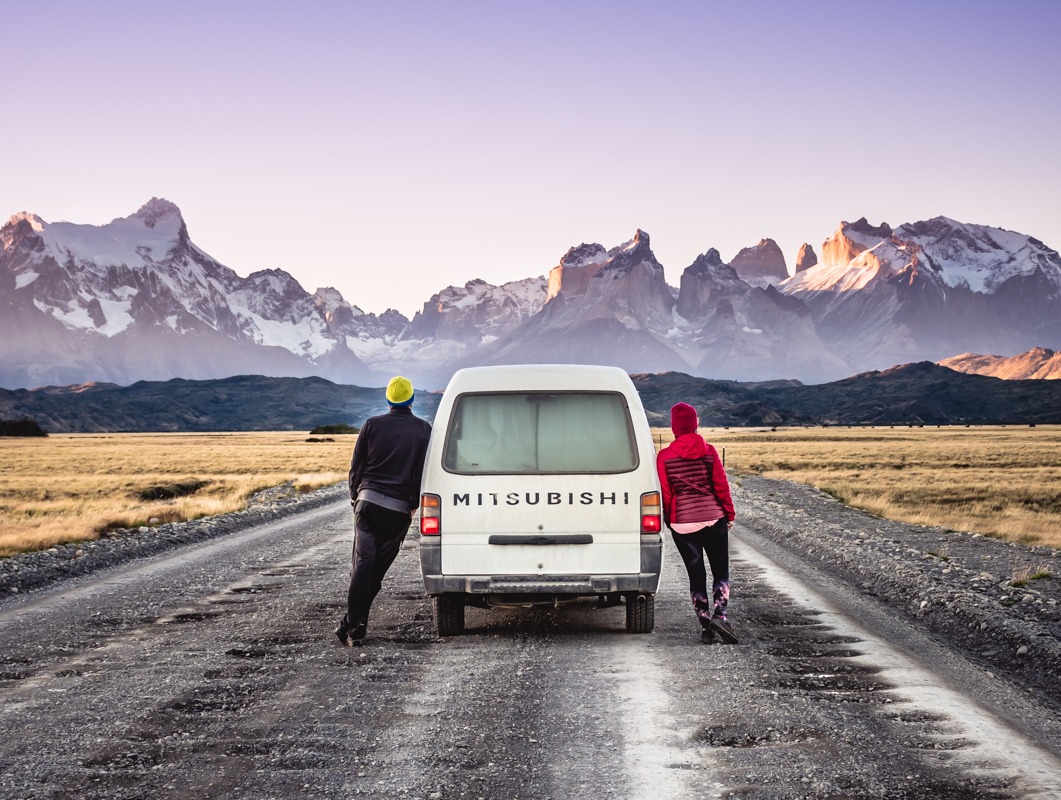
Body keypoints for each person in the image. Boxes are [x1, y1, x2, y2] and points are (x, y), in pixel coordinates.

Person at [335, 375, 432, 645]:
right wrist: (413, 505)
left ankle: (352, 626)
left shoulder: (371, 425)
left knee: (362, 567)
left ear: (388, 400)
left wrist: (356, 497)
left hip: (367, 505)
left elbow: (356, 468)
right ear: (412, 400)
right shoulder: (424, 430)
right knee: (375, 573)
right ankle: (353, 624)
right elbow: (420, 473)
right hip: (398, 512)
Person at [656, 402, 738, 644]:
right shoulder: (710, 451)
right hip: (713, 518)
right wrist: (729, 514)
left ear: (674, 427)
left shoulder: (664, 456)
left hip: (683, 523)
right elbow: (721, 486)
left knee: (696, 575)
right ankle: (720, 616)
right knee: (720, 571)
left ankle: (705, 627)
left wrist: (671, 519)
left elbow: (667, 493)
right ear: (695, 424)